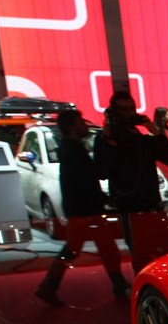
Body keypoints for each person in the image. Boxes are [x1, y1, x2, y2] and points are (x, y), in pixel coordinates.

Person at [35, 109, 130, 306]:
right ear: (72, 127)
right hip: (85, 211)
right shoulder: (73, 150)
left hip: (81, 210)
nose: (85, 125)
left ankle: (50, 285)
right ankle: (49, 285)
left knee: (90, 248)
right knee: (95, 249)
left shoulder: (69, 148)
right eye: (81, 123)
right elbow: (88, 179)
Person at [93, 89, 168, 263]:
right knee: (142, 258)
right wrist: (110, 144)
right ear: (114, 113)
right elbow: (101, 172)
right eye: (124, 110)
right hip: (130, 209)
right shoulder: (106, 140)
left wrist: (153, 129)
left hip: (152, 206)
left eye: (132, 108)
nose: (130, 113)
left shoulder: (143, 140)